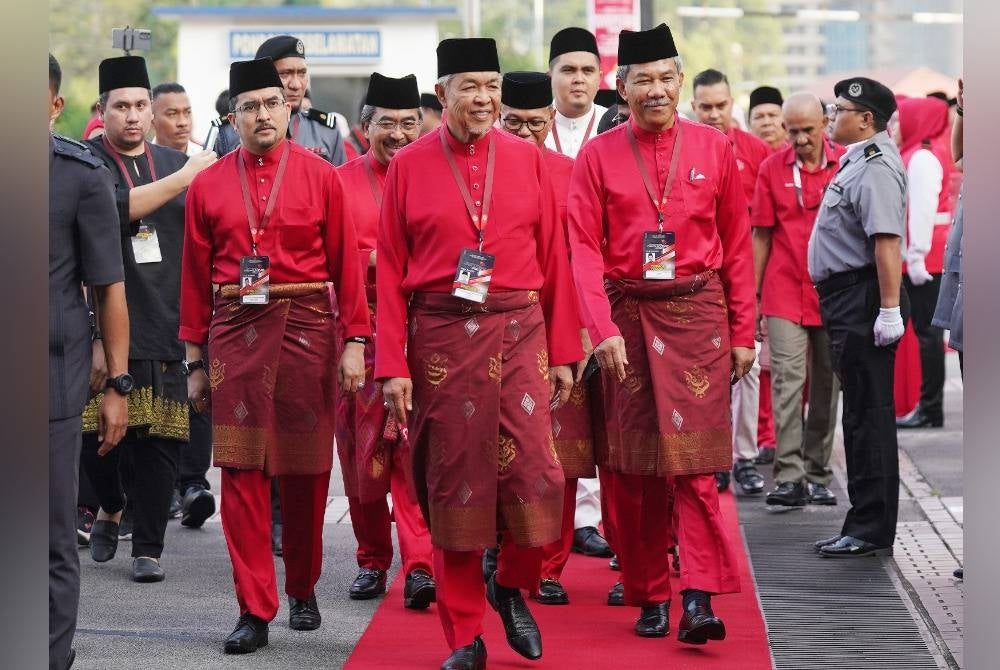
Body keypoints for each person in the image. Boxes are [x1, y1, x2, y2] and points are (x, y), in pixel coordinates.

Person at [376, 37, 582, 669]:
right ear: (442, 95)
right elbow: (387, 268)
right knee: (454, 487)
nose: (486, 99)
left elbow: (556, 261)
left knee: (539, 477)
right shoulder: (408, 166)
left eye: (491, 86)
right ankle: (464, 635)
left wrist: (566, 351)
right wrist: (392, 366)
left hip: (520, 330)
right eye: (470, 87)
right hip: (440, 336)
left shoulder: (532, 162)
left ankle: (511, 584)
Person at [568, 23, 752, 643]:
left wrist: (743, 331)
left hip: (698, 315)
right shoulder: (596, 155)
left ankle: (697, 596)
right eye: (641, 80)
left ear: (679, 81)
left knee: (696, 470)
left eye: (665, 78)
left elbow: (738, 247)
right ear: (621, 89)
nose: (655, 90)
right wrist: (599, 329)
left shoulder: (714, 148)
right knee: (631, 471)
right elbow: (583, 251)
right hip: (624, 318)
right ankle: (649, 591)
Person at [179, 57, 369, 654]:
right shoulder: (207, 185)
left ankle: (304, 588)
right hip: (234, 333)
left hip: (309, 331)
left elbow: (347, 268)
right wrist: (193, 361)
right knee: (239, 473)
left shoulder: (323, 176)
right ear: (231, 116)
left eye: (271, 104)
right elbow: (191, 280)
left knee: (307, 473)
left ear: (288, 107)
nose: (262, 115)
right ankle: (254, 608)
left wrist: (356, 343)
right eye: (249, 107)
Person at [80, 55, 216, 584]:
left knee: (162, 440)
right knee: (101, 443)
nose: (133, 116)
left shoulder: (170, 160)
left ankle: (150, 549)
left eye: (141, 105)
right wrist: (186, 175)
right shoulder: (86, 162)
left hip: (167, 319)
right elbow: (117, 209)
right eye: (122, 106)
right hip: (104, 321)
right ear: (102, 109)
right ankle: (111, 505)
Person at [335, 72, 436, 609]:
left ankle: (420, 564)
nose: (399, 134)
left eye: (408, 124)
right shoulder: (341, 182)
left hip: (427, 332)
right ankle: (372, 558)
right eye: (387, 124)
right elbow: (327, 258)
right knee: (363, 456)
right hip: (362, 334)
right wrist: (380, 263)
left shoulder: (436, 175)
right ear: (364, 127)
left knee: (415, 456)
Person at [498, 70, 597, 606]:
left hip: (558, 324)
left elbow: (579, 259)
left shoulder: (571, 172)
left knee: (560, 450)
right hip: (492, 327)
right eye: (513, 121)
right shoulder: (483, 173)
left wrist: (577, 336)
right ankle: (498, 545)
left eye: (537, 122)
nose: (525, 131)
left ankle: (549, 566)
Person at [49, 52, 129, 670]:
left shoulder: (79, 176)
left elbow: (110, 289)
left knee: (50, 535)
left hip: (50, 381)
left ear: (55, 107)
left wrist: (117, 386)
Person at [809, 77, 909, 558]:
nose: (831, 114)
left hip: (864, 298)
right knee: (860, 414)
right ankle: (863, 519)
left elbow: (886, 242)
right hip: (848, 297)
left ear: (865, 118)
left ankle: (870, 527)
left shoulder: (874, 166)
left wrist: (889, 310)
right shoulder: (857, 162)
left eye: (839, 107)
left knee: (869, 415)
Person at [752, 93, 843, 507]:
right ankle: (789, 475)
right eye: (793, 131)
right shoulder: (772, 168)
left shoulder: (846, 164)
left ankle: (819, 471)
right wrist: (752, 300)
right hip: (784, 290)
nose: (801, 139)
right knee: (788, 384)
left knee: (827, 384)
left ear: (825, 122)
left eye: (808, 129)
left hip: (834, 294)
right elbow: (762, 236)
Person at [690, 68, 770, 494]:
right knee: (702, 370)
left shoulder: (756, 151)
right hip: (694, 281)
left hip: (740, 275)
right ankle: (712, 454)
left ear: (732, 103)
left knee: (748, 365)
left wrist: (753, 286)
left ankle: (745, 458)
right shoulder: (684, 148)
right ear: (693, 105)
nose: (714, 114)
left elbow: (760, 228)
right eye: (706, 107)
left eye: (722, 106)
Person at [892, 96, 954, 429]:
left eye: (901, 120)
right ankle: (928, 407)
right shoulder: (917, 156)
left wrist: (915, 255)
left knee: (928, 335)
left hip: (926, 257)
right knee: (927, 334)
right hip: (923, 255)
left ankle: (930, 409)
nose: (895, 127)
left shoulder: (921, 160)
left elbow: (922, 211)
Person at [214, 36, 348, 166]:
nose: (296, 84)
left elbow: (338, 185)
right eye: (285, 74)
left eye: (302, 73)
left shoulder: (326, 131)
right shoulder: (226, 133)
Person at [544, 27, 607, 161]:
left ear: (599, 78)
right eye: (569, 70)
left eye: (588, 70)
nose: (579, 79)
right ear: (550, 77)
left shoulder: (614, 126)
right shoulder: (534, 124)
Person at [151, 82, 200, 155]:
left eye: (187, 112)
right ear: (151, 120)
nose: (183, 122)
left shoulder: (208, 160)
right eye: (172, 114)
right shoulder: (141, 162)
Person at [748, 86, 788, 151]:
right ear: (749, 122)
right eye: (758, 117)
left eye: (772, 115)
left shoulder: (799, 154)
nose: (766, 122)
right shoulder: (738, 156)